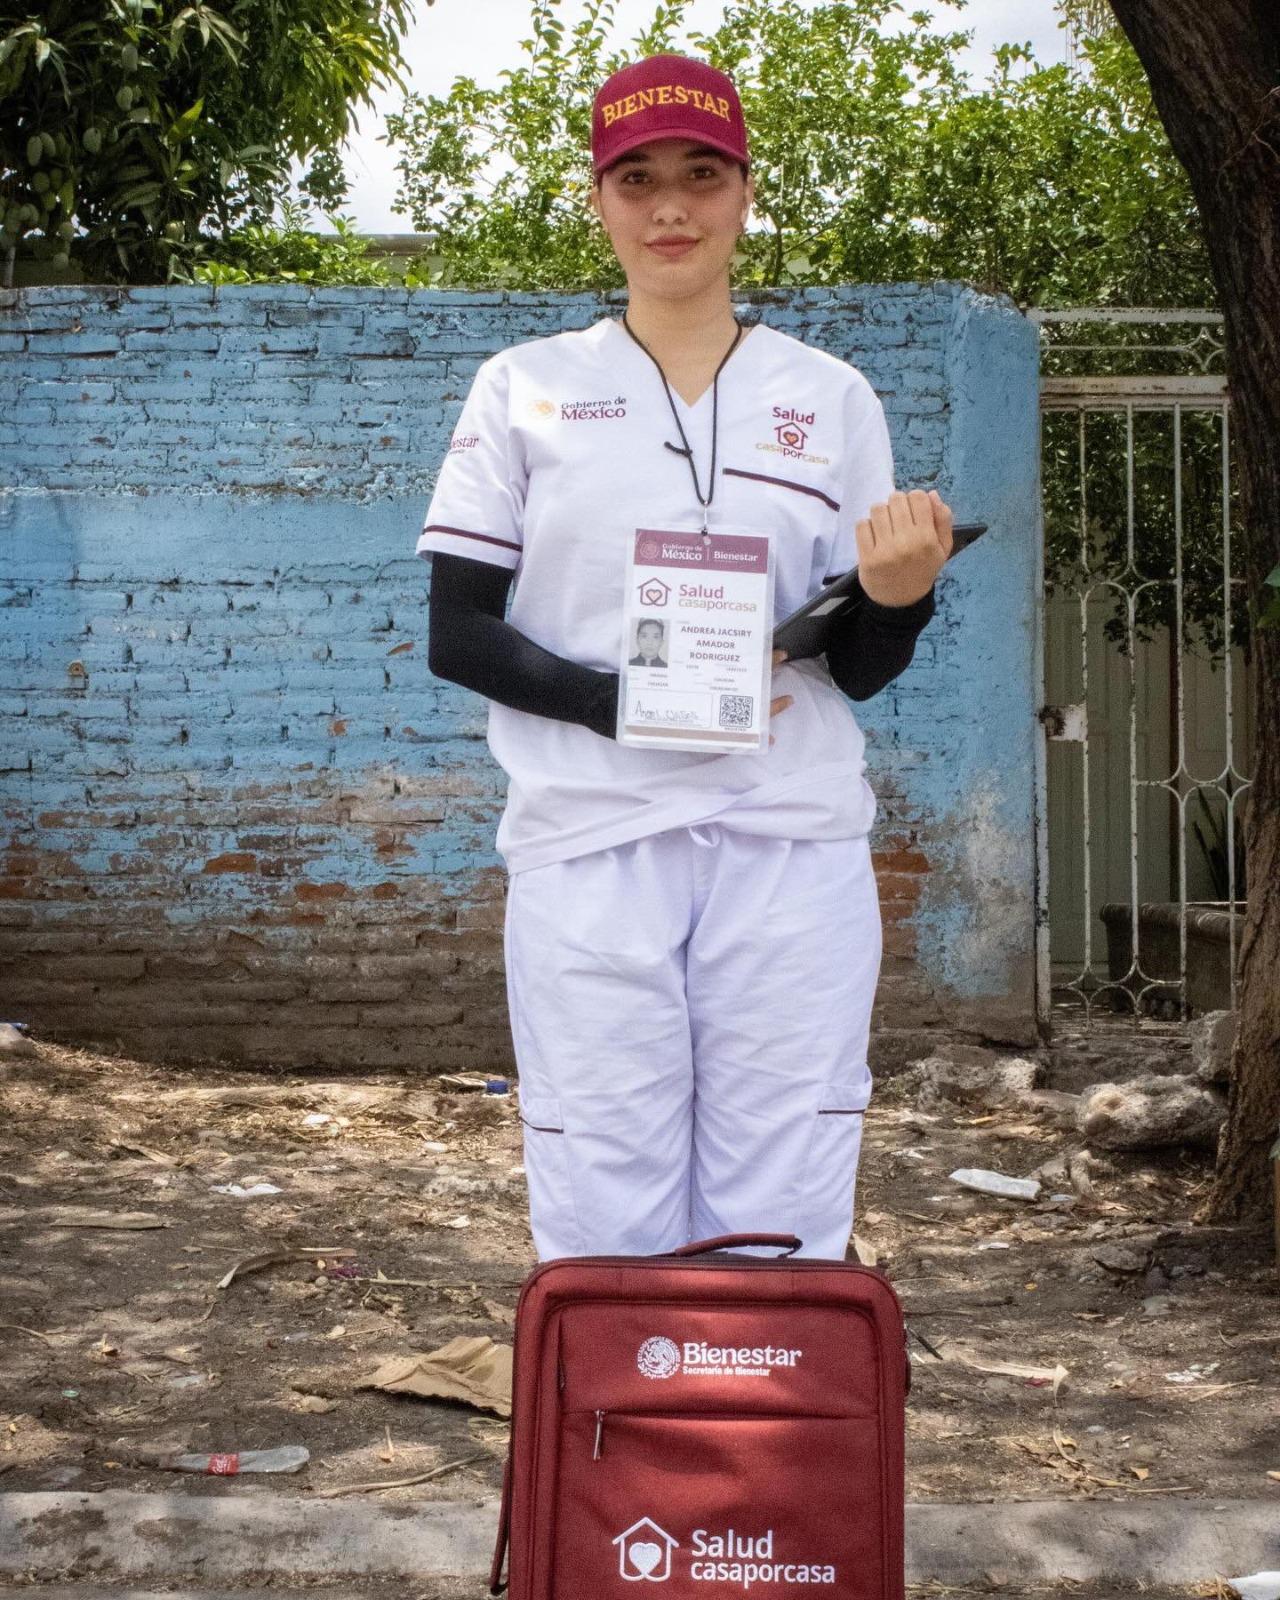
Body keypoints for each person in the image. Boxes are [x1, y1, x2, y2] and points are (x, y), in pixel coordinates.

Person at [419, 53, 953, 1262]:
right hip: (591, 841)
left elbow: (856, 665)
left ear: (744, 191)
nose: (670, 207)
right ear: (598, 198)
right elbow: (457, 631)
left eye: (699, 175)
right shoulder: (525, 390)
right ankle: (619, 1434)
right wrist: (628, 707)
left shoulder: (827, 398)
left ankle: (765, 1437)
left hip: (788, 841)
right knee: (601, 1161)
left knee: (787, 1169)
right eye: (637, 177)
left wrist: (901, 599)